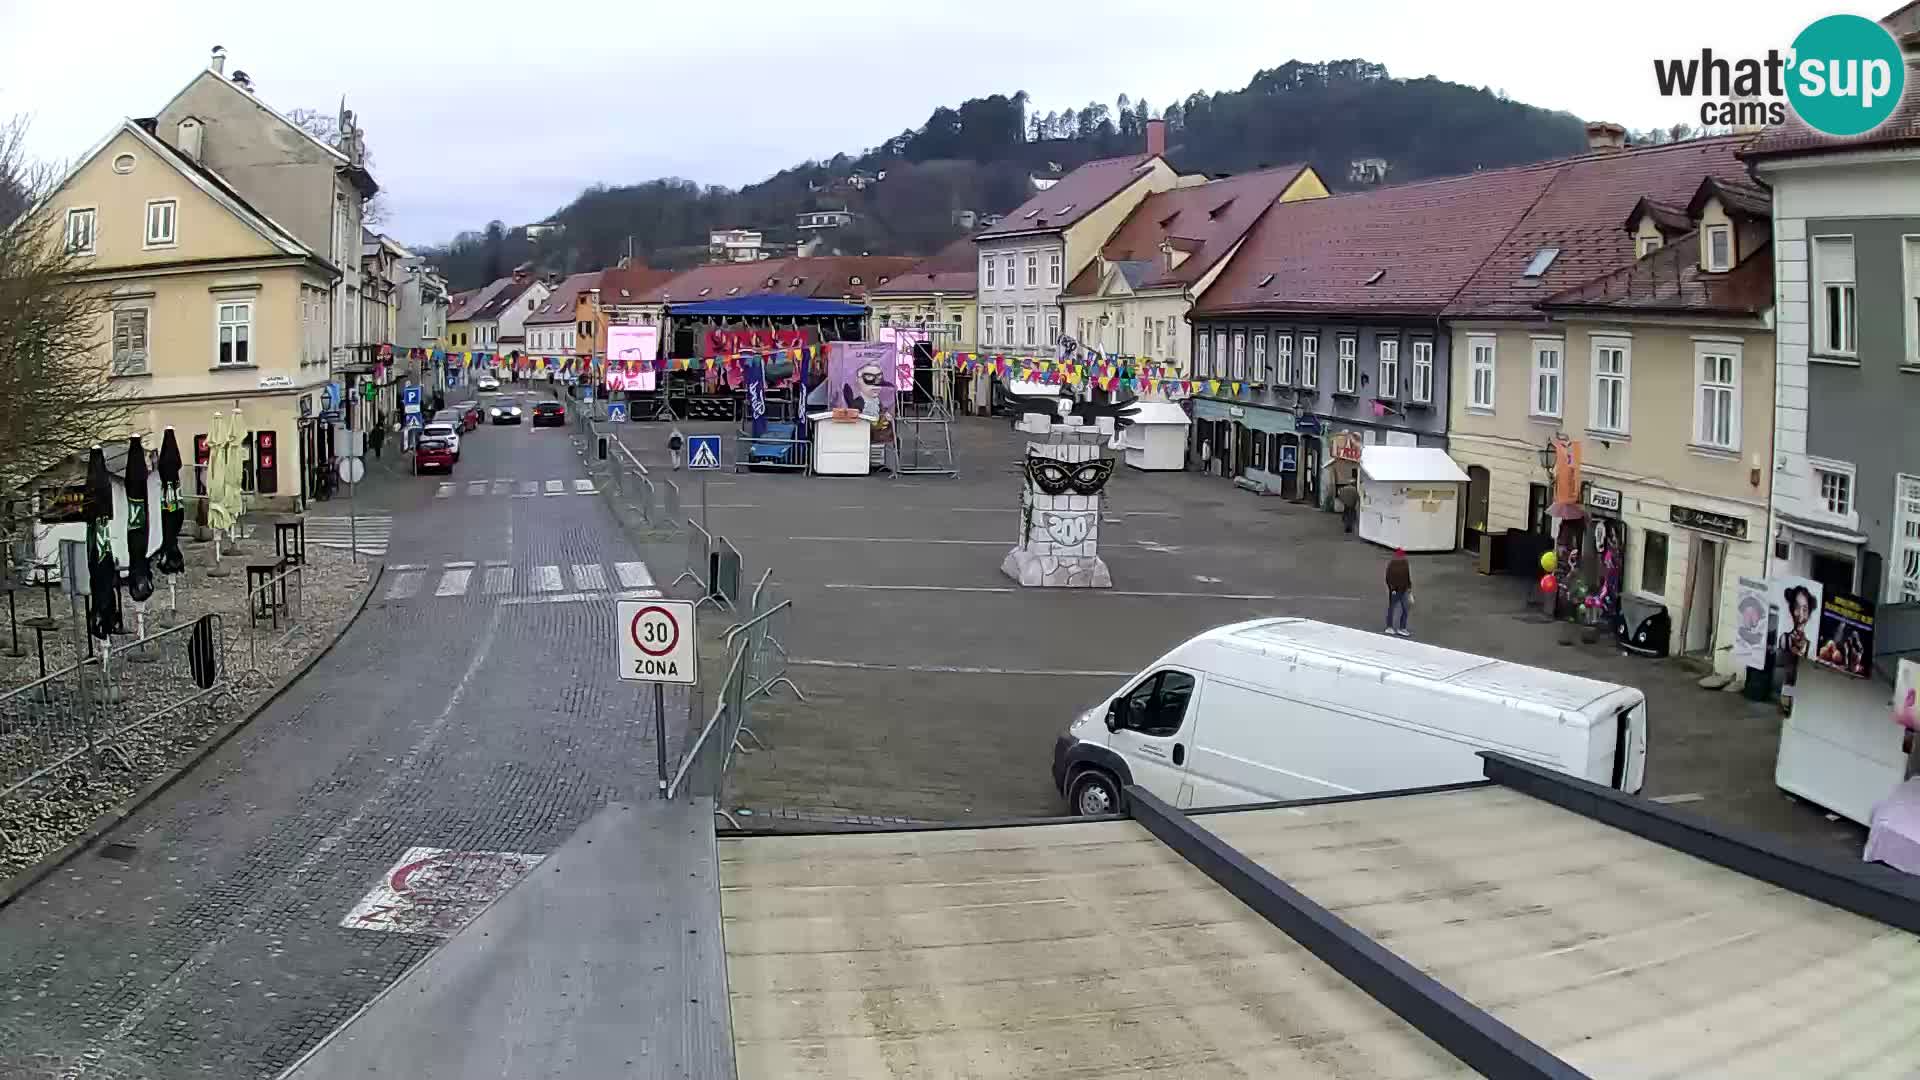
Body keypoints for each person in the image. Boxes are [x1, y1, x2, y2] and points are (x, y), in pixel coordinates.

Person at [1385, 547, 1413, 637]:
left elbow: (1407, 576)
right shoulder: (1393, 564)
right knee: (1392, 608)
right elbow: (1389, 578)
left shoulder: (1404, 563)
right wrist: (1392, 589)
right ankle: (1391, 627)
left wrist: (1409, 587)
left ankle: (1401, 628)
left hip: (1403, 590)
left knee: (1404, 609)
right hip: (1396, 591)